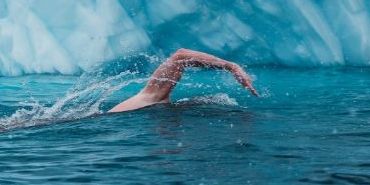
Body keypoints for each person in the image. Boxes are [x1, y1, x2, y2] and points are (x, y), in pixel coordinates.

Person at [108, 48, 259, 113]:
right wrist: (231, 67)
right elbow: (181, 55)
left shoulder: (152, 100)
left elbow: (180, 56)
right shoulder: (150, 99)